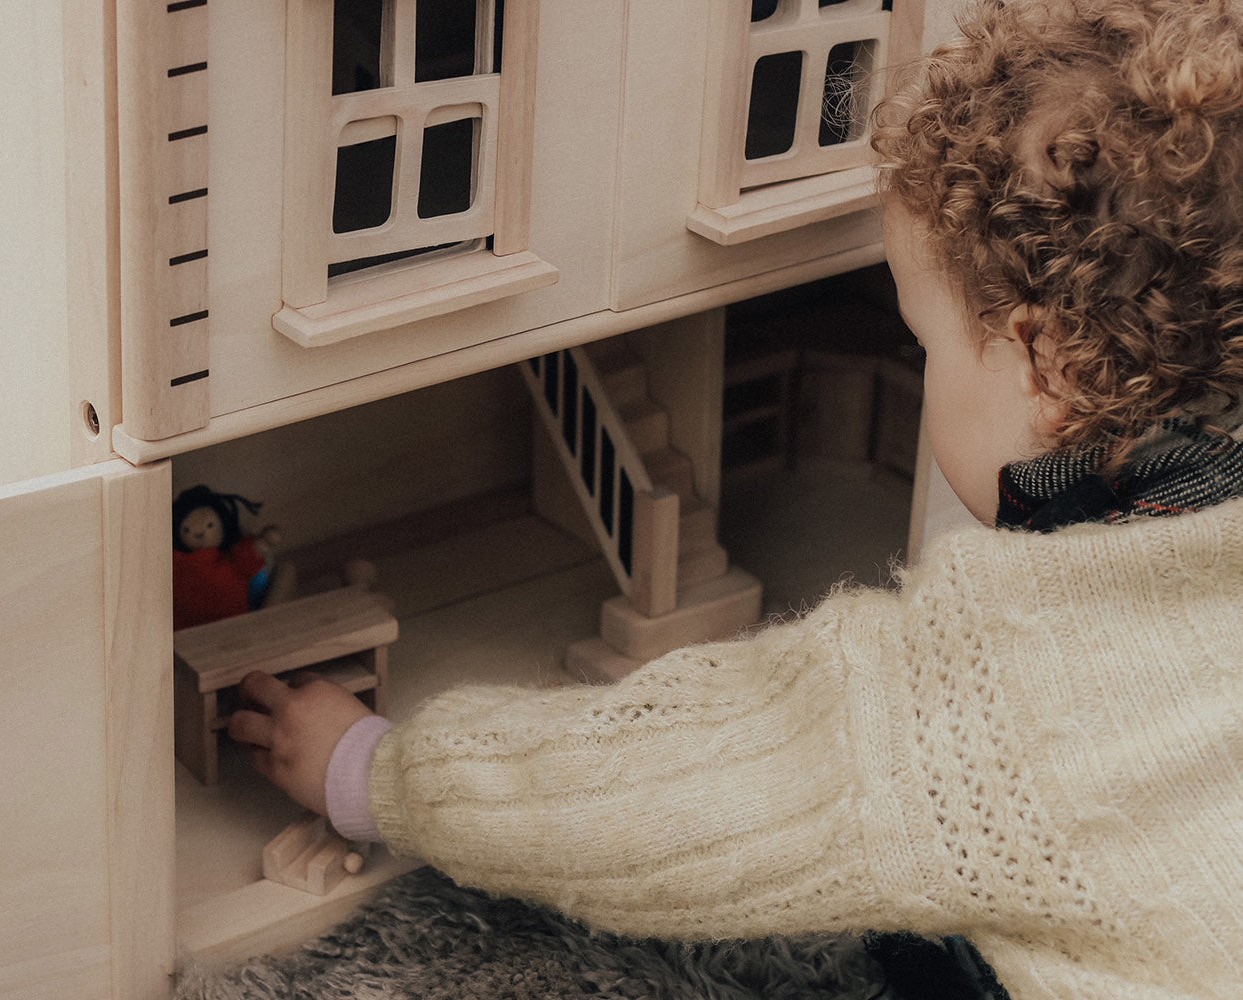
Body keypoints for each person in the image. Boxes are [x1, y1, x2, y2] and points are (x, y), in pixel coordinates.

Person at [230, 1, 1243, 996]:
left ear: (1039, 365)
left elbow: (664, 786)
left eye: (921, 344)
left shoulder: (1009, 684)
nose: (919, 363)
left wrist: (374, 772)